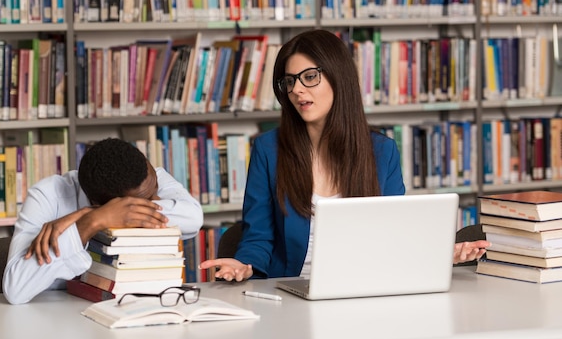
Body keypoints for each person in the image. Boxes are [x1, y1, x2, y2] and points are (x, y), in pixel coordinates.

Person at [200, 29, 490, 282]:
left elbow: (392, 238)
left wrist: (439, 255)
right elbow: (258, 236)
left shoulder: (381, 151)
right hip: (288, 290)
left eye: (310, 77)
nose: (297, 89)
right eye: (289, 82)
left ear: (338, 77)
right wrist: (244, 264)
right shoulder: (268, 150)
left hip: (364, 289)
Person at [3, 138, 203, 304]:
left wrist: (89, 213)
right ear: (99, 201)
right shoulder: (47, 196)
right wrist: (90, 222)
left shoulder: (148, 177)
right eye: (144, 203)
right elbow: (16, 290)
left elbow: (193, 218)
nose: (157, 201)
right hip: (60, 317)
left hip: (134, 307)